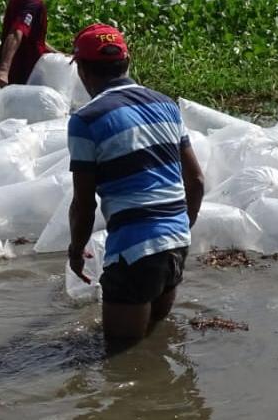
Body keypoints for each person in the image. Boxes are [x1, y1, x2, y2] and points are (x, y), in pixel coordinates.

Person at [66, 24, 205, 347]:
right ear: (127, 62)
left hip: (134, 251)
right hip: (177, 242)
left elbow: (84, 204)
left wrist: (76, 252)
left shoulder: (86, 120)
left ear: (83, 72)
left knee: (120, 361)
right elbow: (196, 181)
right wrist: (178, 229)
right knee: (154, 342)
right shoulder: (166, 105)